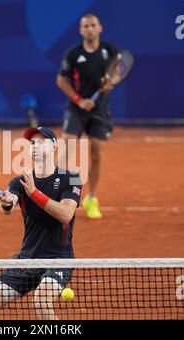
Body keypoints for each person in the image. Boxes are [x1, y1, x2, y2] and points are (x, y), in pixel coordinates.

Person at [0, 127, 82, 320]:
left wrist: (34, 194)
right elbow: (9, 204)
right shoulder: (19, 181)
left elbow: (65, 214)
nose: (35, 146)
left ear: (55, 146)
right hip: (27, 260)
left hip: (59, 259)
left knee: (41, 302)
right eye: (32, 143)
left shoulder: (71, 178)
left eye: (42, 142)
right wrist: (7, 203)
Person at [57, 13, 118, 219]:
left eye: (93, 25)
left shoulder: (109, 50)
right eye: (86, 26)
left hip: (99, 109)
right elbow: (61, 80)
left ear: (100, 28)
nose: (90, 29)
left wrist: (111, 82)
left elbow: (116, 73)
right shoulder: (73, 54)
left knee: (97, 153)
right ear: (81, 30)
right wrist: (78, 99)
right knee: (68, 145)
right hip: (76, 108)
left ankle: (91, 197)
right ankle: (56, 194)